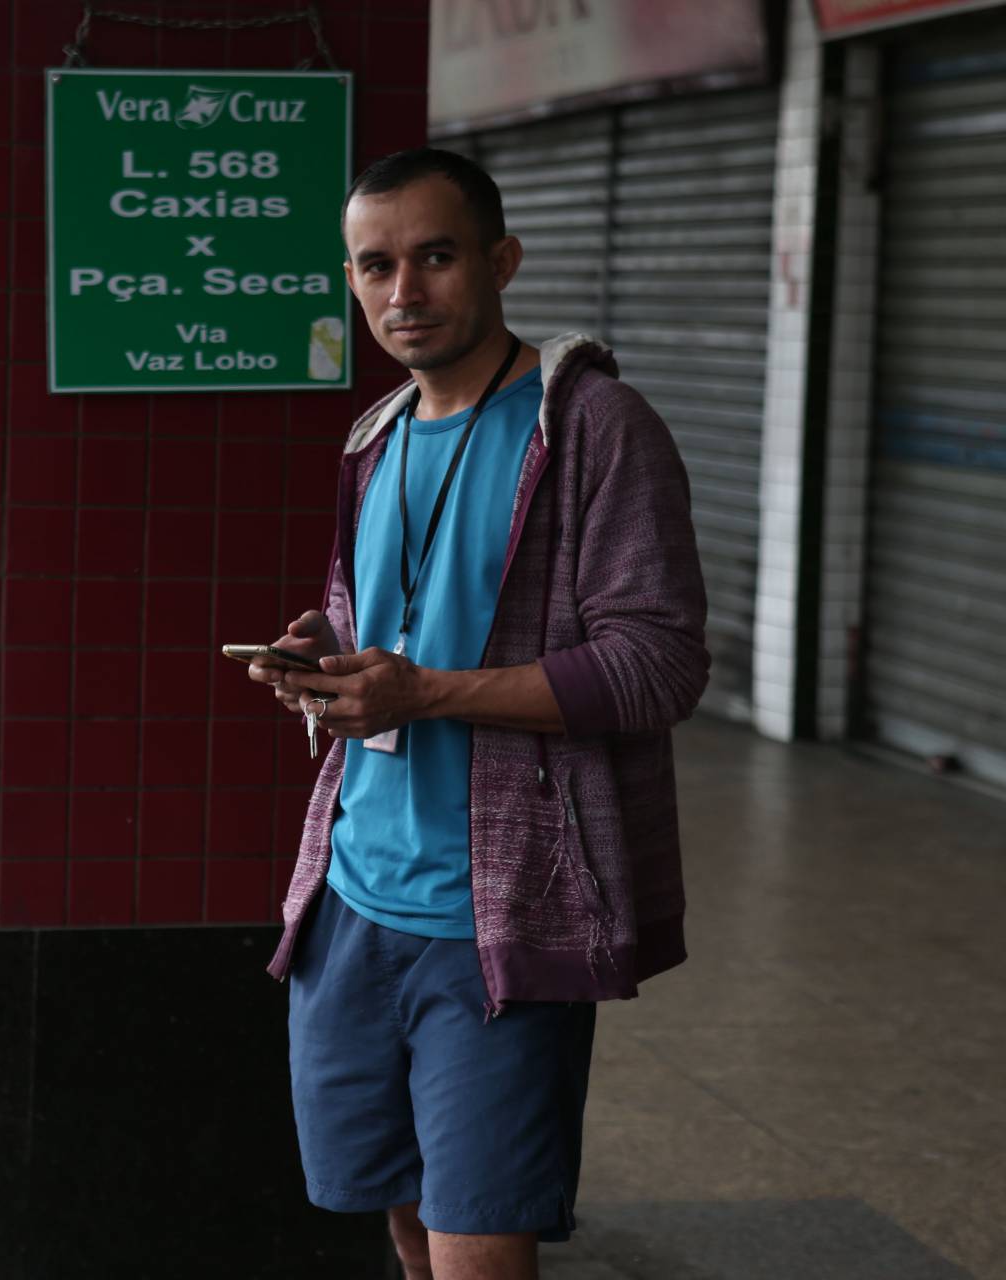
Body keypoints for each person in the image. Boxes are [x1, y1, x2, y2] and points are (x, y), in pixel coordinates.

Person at [248, 148, 710, 1280]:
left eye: (437, 256)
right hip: (352, 898)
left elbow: (658, 665)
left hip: (499, 912)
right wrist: (327, 660)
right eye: (375, 265)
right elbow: (392, 625)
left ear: (501, 260)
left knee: (478, 1241)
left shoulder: (592, 427)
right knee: (404, 1214)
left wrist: (424, 692)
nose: (404, 291)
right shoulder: (374, 438)